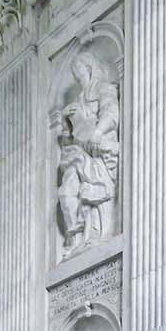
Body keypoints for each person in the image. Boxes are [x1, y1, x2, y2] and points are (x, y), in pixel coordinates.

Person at [57, 54, 120, 255]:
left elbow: (111, 113)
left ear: (89, 68)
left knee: (95, 191)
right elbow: (69, 139)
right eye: (75, 73)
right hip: (78, 152)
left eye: (80, 70)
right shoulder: (77, 101)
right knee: (66, 192)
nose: (78, 76)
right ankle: (76, 237)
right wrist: (67, 123)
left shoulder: (103, 89)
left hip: (98, 150)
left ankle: (99, 235)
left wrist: (98, 132)